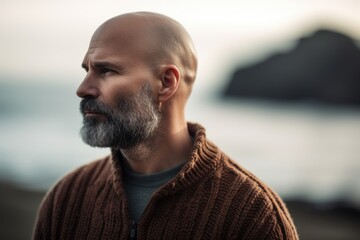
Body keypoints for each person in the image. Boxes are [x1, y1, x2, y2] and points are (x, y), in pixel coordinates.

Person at [33, 12, 298, 239]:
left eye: (107, 71)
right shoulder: (67, 199)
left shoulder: (253, 216)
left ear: (166, 83)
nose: (83, 89)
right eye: (87, 70)